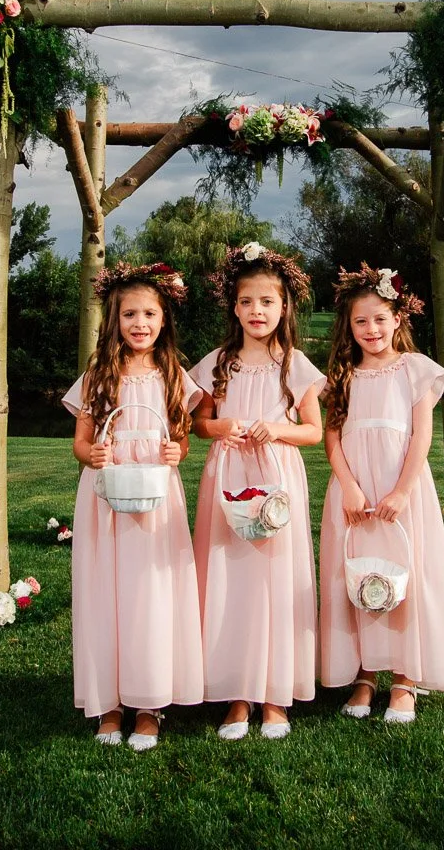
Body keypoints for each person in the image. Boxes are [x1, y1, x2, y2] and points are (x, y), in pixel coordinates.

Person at [62, 262, 203, 751]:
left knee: (150, 594)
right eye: (129, 315)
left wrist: (175, 453)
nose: (139, 323)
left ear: (164, 320)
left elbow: (181, 441)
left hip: (156, 500)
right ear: (114, 320)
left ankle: (149, 704)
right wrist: (93, 454)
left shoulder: (172, 374)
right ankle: (109, 703)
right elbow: (81, 442)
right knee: (107, 594)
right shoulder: (98, 374)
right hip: (106, 499)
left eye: (149, 314)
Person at [190, 242, 325, 740]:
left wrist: (277, 429)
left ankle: (275, 697)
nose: (257, 311)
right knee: (230, 580)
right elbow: (199, 424)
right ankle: (235, 695)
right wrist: (223, 425)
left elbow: (312, 431)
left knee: (274, 581)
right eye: (247, 302)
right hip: (227, 476)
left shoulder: (296, 365)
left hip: (277, 476)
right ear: (233, 306)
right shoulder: (218, 363)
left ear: (283, 306)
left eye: (267, 302)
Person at [319, 264, 444, 723]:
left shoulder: (416, 370)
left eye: (380, 318)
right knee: (359, 575)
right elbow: (332, 436)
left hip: (401, 489)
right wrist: (347, 484)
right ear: (349, 326)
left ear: (397, 318)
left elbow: (421, 436)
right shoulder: (343, 373)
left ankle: (405, 677)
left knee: (405, 573)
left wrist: (402, 491)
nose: (371, 329)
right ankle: (365, 672)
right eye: (361, 321)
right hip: (355, 493)